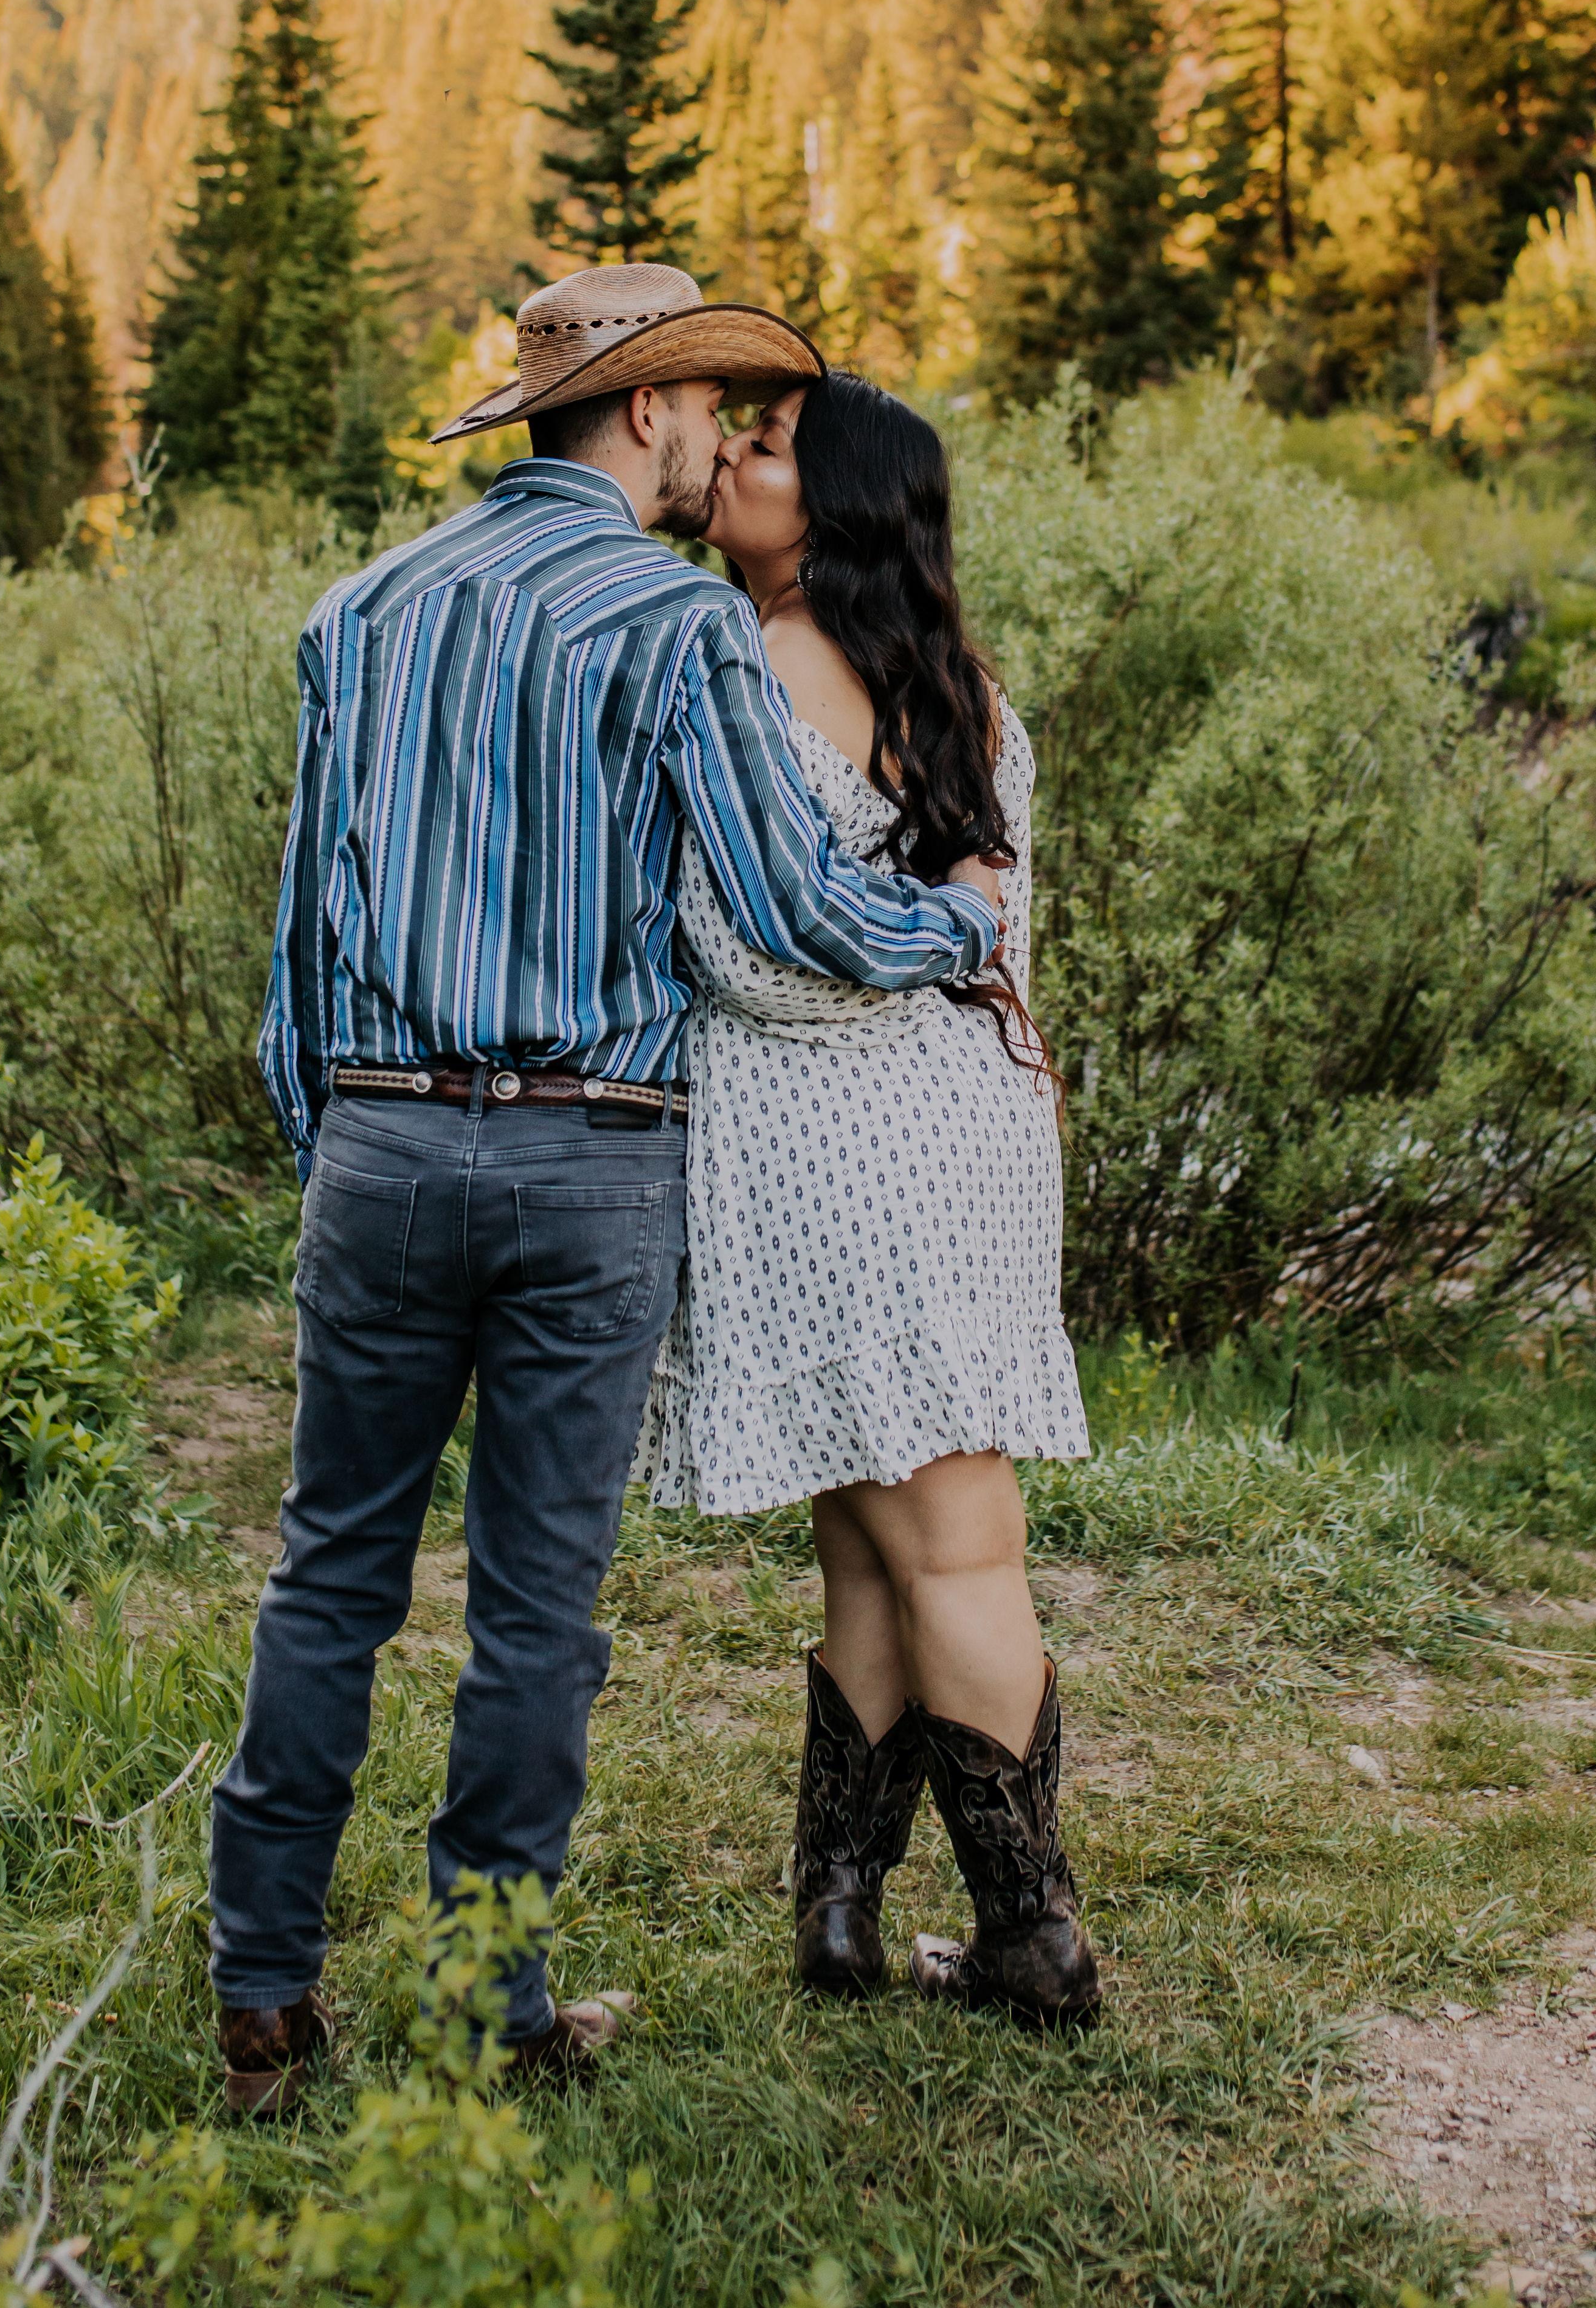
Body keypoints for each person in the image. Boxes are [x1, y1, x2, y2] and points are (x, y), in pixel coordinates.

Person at [205, 267, 1013, 2116]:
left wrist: (343, 1149)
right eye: (712, 409)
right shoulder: (676, 623)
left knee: (328, 1576)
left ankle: (263, 1997)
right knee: (532, 1615)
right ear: (645, 412)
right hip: (590, 1163)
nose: (722, 444)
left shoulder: (360, 610)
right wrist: (957, 921)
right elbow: (796, 906)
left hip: (383, 1145)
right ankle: (488, 2008)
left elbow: (299, 958)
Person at [636, 370, 1106, 2025]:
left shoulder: (753, 665)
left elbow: (749, 957)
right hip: (969, 1140)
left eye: (766, 448)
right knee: (871, 1544)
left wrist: (853, 984)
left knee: (954, 1548)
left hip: (841, 1155)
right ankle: (837, 1916)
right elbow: (992, 938)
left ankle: (1033, 1939)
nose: (729, 458)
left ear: (832, 503)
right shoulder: (966, 689)